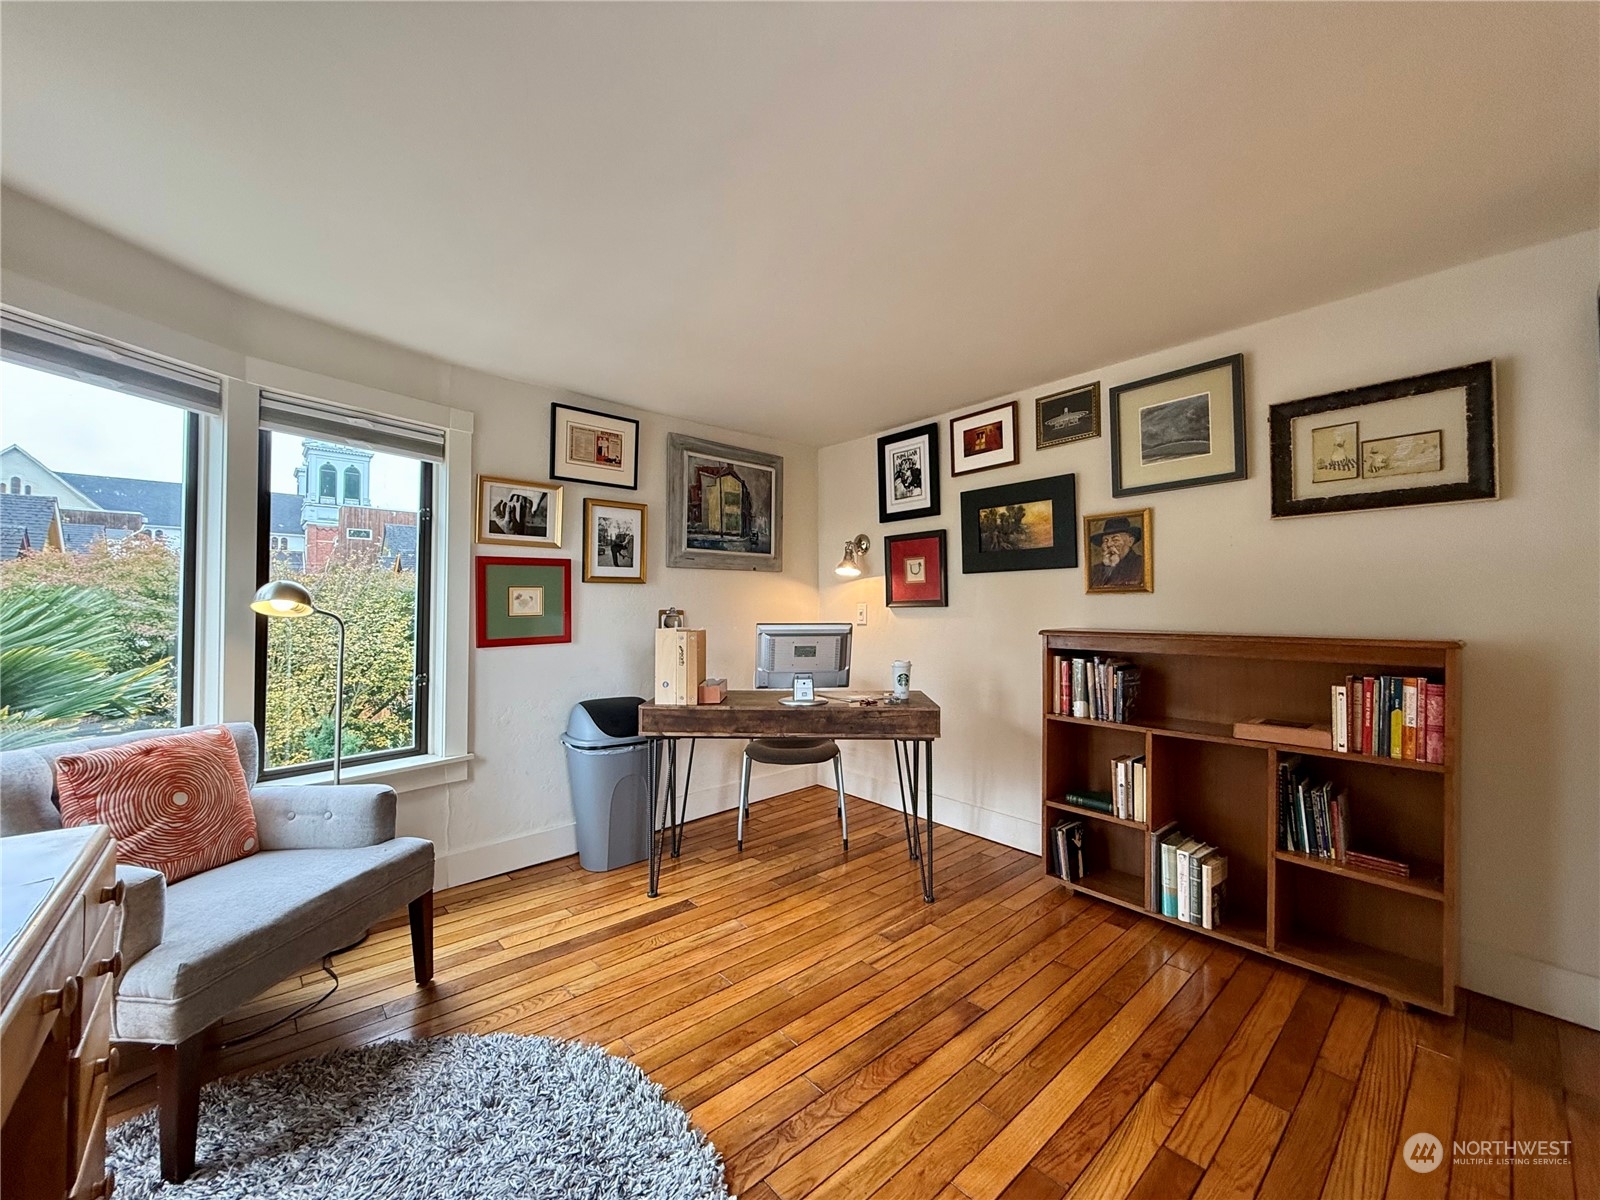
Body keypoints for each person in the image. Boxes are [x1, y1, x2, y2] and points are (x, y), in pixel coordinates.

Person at [1089, 516, 1146, 588]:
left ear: (1130, 542)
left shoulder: (1141, 564)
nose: (1109, 544)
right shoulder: (1095, 570)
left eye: (1115, 540)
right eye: (1105, 541)